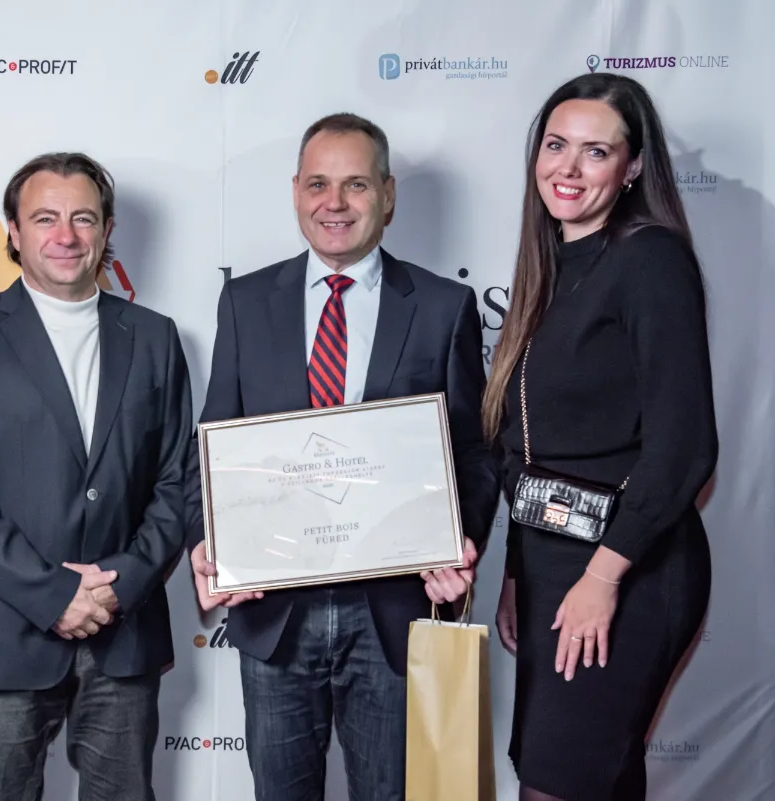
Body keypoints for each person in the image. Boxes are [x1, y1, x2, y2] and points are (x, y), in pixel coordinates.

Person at [185, 112, 501, 800]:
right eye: (318, 184)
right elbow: (214, 442)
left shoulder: (443, 306)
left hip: (393, 612)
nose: (335, 202)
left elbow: (475, 453)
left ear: (388, 194)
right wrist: (208, 537)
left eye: (356, 184)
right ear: (296, 192)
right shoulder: (245, 302)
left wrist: (459, 536)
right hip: (276, 613)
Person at [0, 152, 192, 801]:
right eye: (45, 219)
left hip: (123, 630)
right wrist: (53, 595)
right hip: (2, 630)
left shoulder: (155, 337)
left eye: (82, 218)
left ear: (107, 229)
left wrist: (122, 582)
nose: (65, 235)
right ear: (13, 231)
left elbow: (177, 480)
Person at [486, 73, 717, 801]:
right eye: (556, 145)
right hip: (552, 564)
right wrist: (518, 571)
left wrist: (602, 577)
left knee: (557, 784)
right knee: (596, 780)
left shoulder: (650, 260)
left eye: (596, 152)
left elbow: (685, 448)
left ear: (633, 167)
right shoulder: (550, 268)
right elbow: (531, 447)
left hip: (629, 567)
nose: (569, 168)